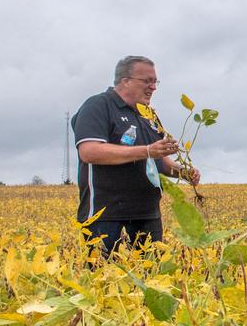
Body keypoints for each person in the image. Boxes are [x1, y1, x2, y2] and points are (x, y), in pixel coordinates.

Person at [72, 55, 200, 255]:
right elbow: (89, 151)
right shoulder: (98, 106)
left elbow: (160, 162)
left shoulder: (149, 115)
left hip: (146, 213)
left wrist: (181, 171)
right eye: (147, 81)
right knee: (102, 278)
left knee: (150, 278)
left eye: (155, 81)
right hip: (105, 215)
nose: (153, 87)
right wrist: (147, 150)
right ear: (126, 81)